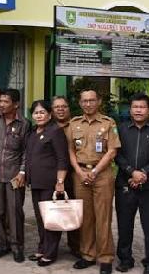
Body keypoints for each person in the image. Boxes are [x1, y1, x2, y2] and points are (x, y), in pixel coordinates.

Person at [66, 89, 120, 274]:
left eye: (91, 100)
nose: (88, 104)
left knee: (103, 217)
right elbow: (70, 150)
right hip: (80, 174)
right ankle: (88, 255)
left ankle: (105, 257)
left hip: (102, 174)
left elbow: (112, 151)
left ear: (99, 101)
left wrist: (95, 171)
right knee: (86, 217)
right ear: (80, 103)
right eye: (84, 101)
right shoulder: (74, 124)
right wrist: (79, 171)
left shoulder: (108, 123)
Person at [114, 93, 149, 274]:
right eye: (135, 107)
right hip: (125, 184)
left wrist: (144, 173)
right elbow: (117, 155)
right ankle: (125, 259)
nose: (138, 110)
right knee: (124, 225)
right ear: (130, 109)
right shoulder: (121, 129)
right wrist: (131, 172)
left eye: (142, 107)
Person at [0, 88, 30, 262]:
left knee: (15, 212)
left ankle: (17, 247)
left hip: (14, 176)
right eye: (0, 101)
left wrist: (22, 172)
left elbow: (26, 151)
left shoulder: (24, 124)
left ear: (16, 104)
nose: (0, 104)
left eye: (5, 101)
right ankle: (2, 244)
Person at [25, 100, 69, 266]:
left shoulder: (55, 131)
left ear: (50, 115)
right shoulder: (33, 132)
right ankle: (42, 248)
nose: (39, 115)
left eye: (42, 112)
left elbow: (62, 158)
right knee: (40, 218)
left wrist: (60, 181)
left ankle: (50, 253)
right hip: (36, 182)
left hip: (50, 183)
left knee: (50, 218)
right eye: (36, 113)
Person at [52, 95, 81, 258]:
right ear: (52, 110)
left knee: (74, 209)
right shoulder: (47, 126)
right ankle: (51, 248)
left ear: (69, 108)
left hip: (75, 174)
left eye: (63, 106)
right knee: (53, 210)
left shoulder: (77, 125)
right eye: (57, 107)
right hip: (53, 175)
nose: (60, 109)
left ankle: (76, 246)